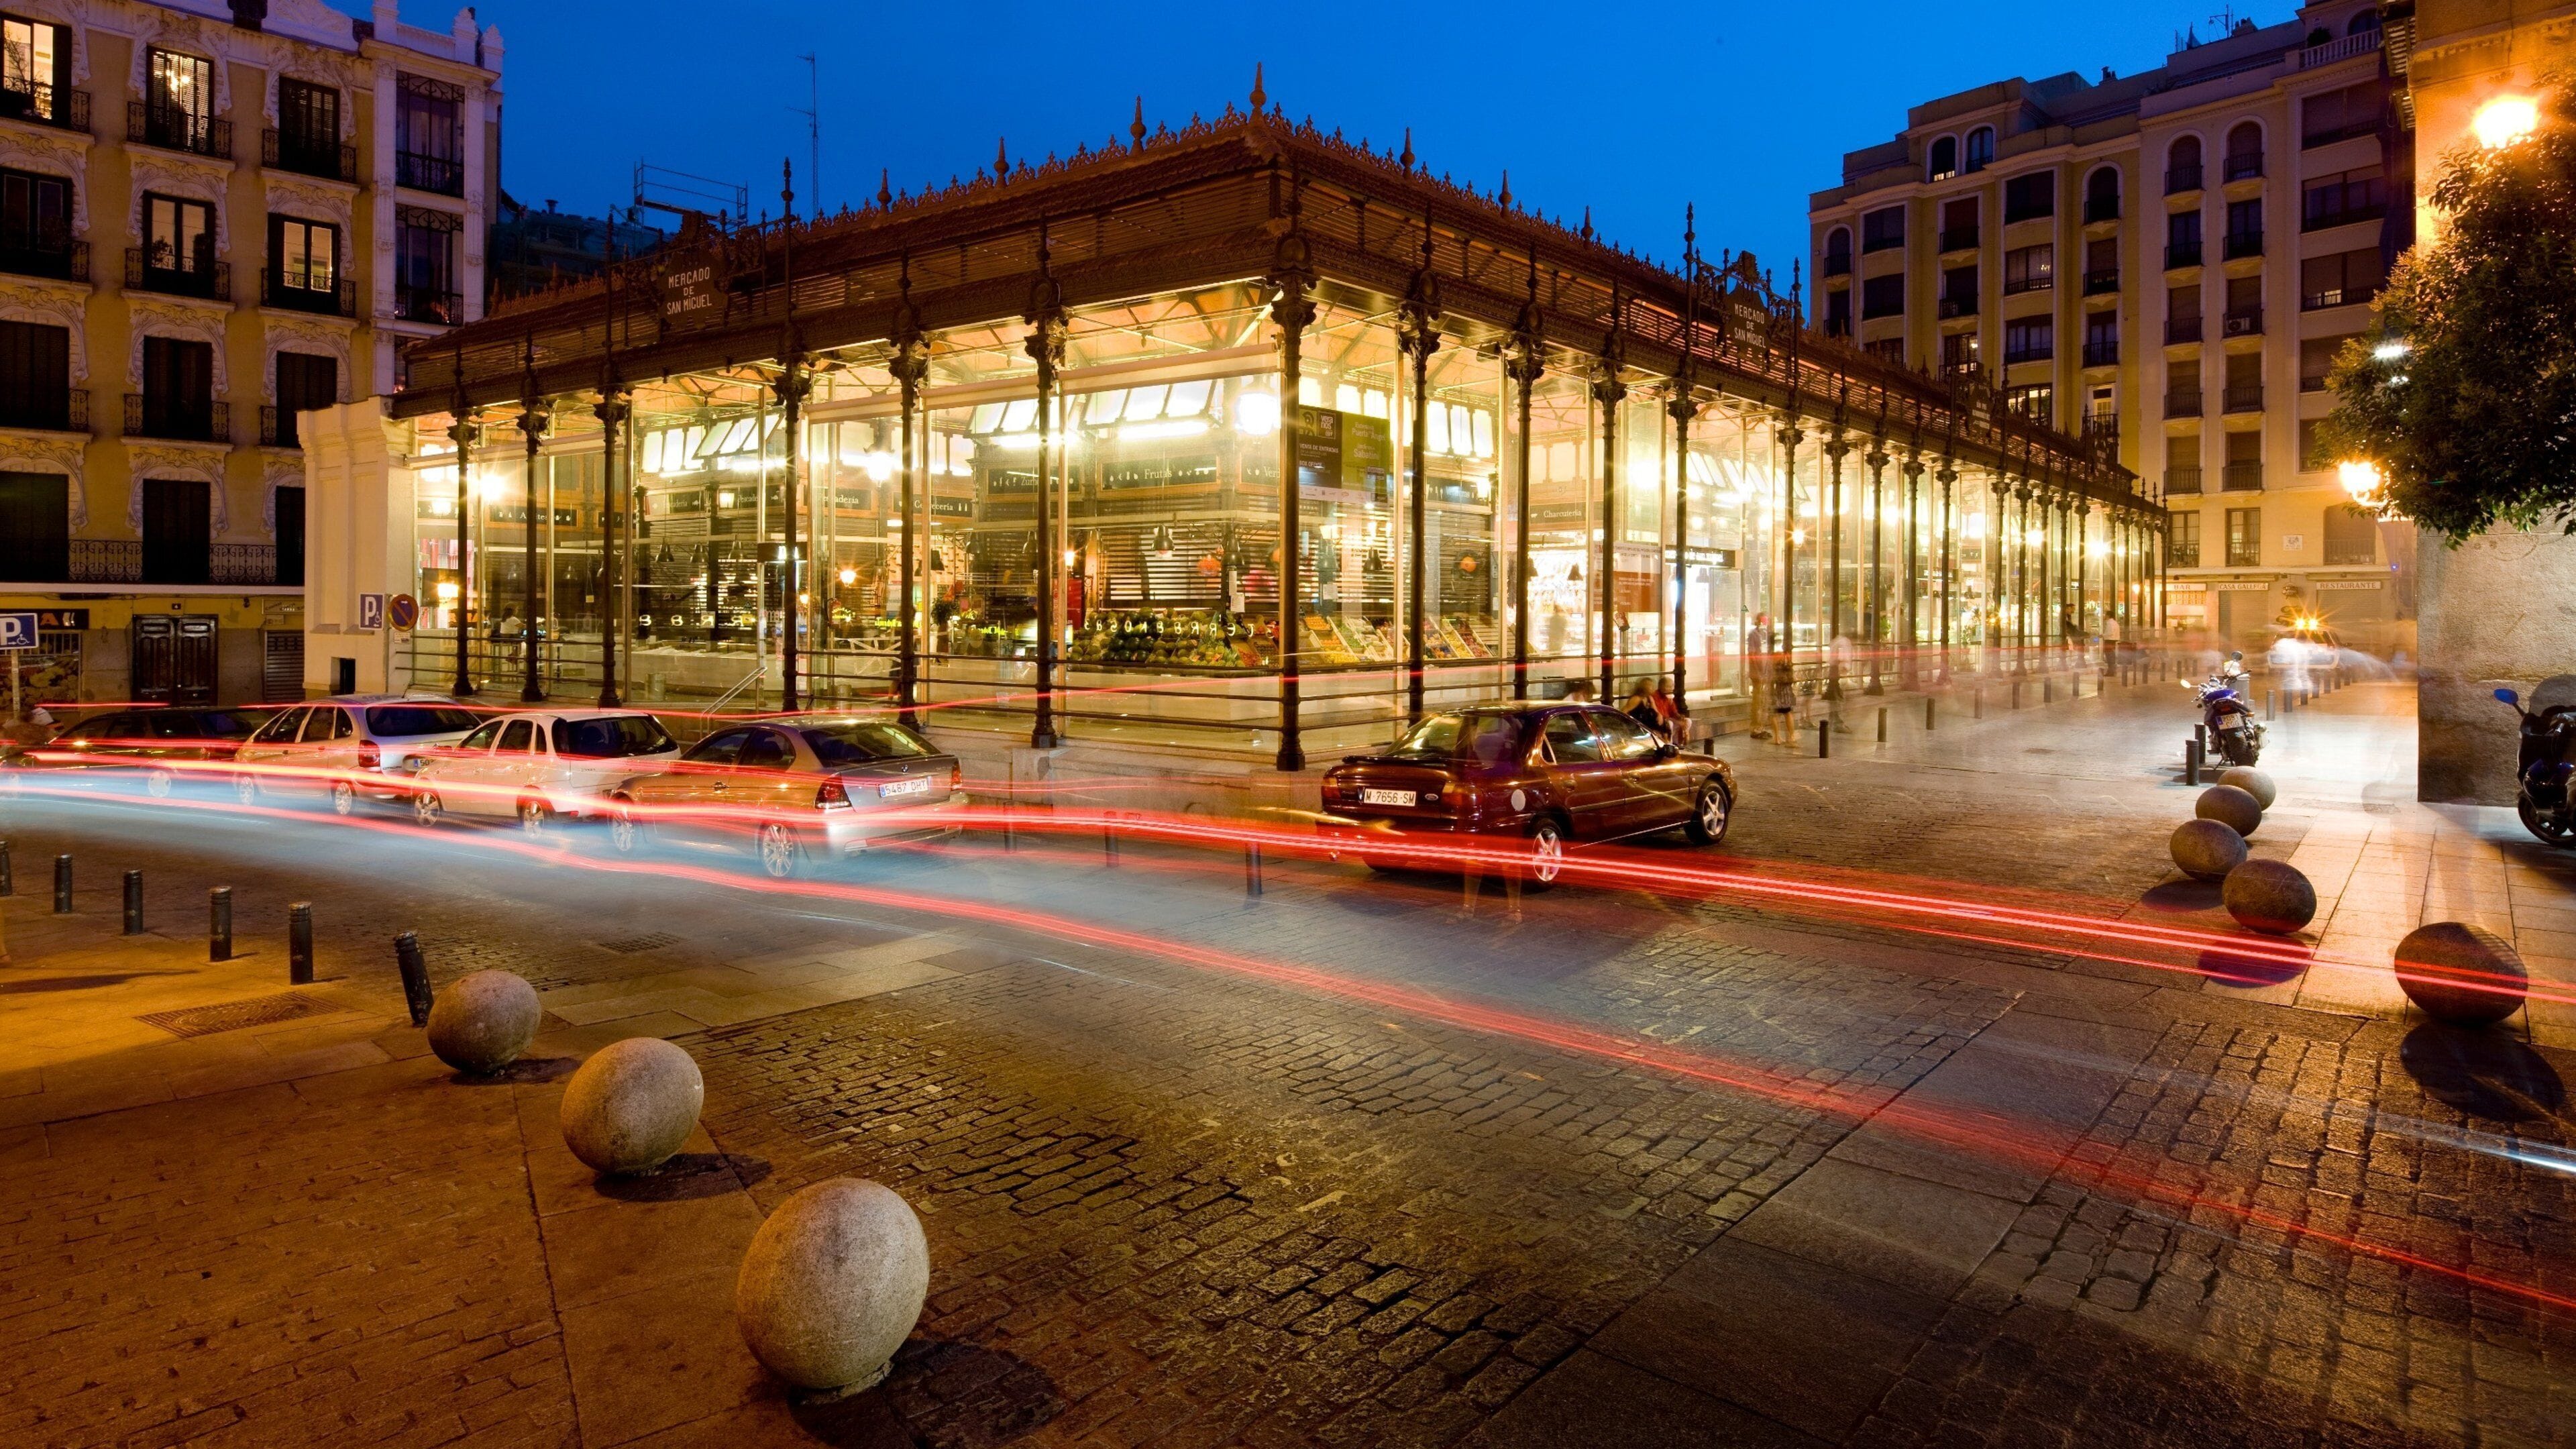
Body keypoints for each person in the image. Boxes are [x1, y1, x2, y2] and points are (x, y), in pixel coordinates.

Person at [1746, 613, 1775, 739]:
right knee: (1757, 701)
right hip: (1758, 673)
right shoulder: (1754, 634)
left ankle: (1761, 727)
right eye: (1764, 620)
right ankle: (1755, 728)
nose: (1766, 623)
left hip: (1765, 672)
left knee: (1763, 701)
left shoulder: (1766, 634)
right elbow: (1752, 654)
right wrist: (1758, 671)